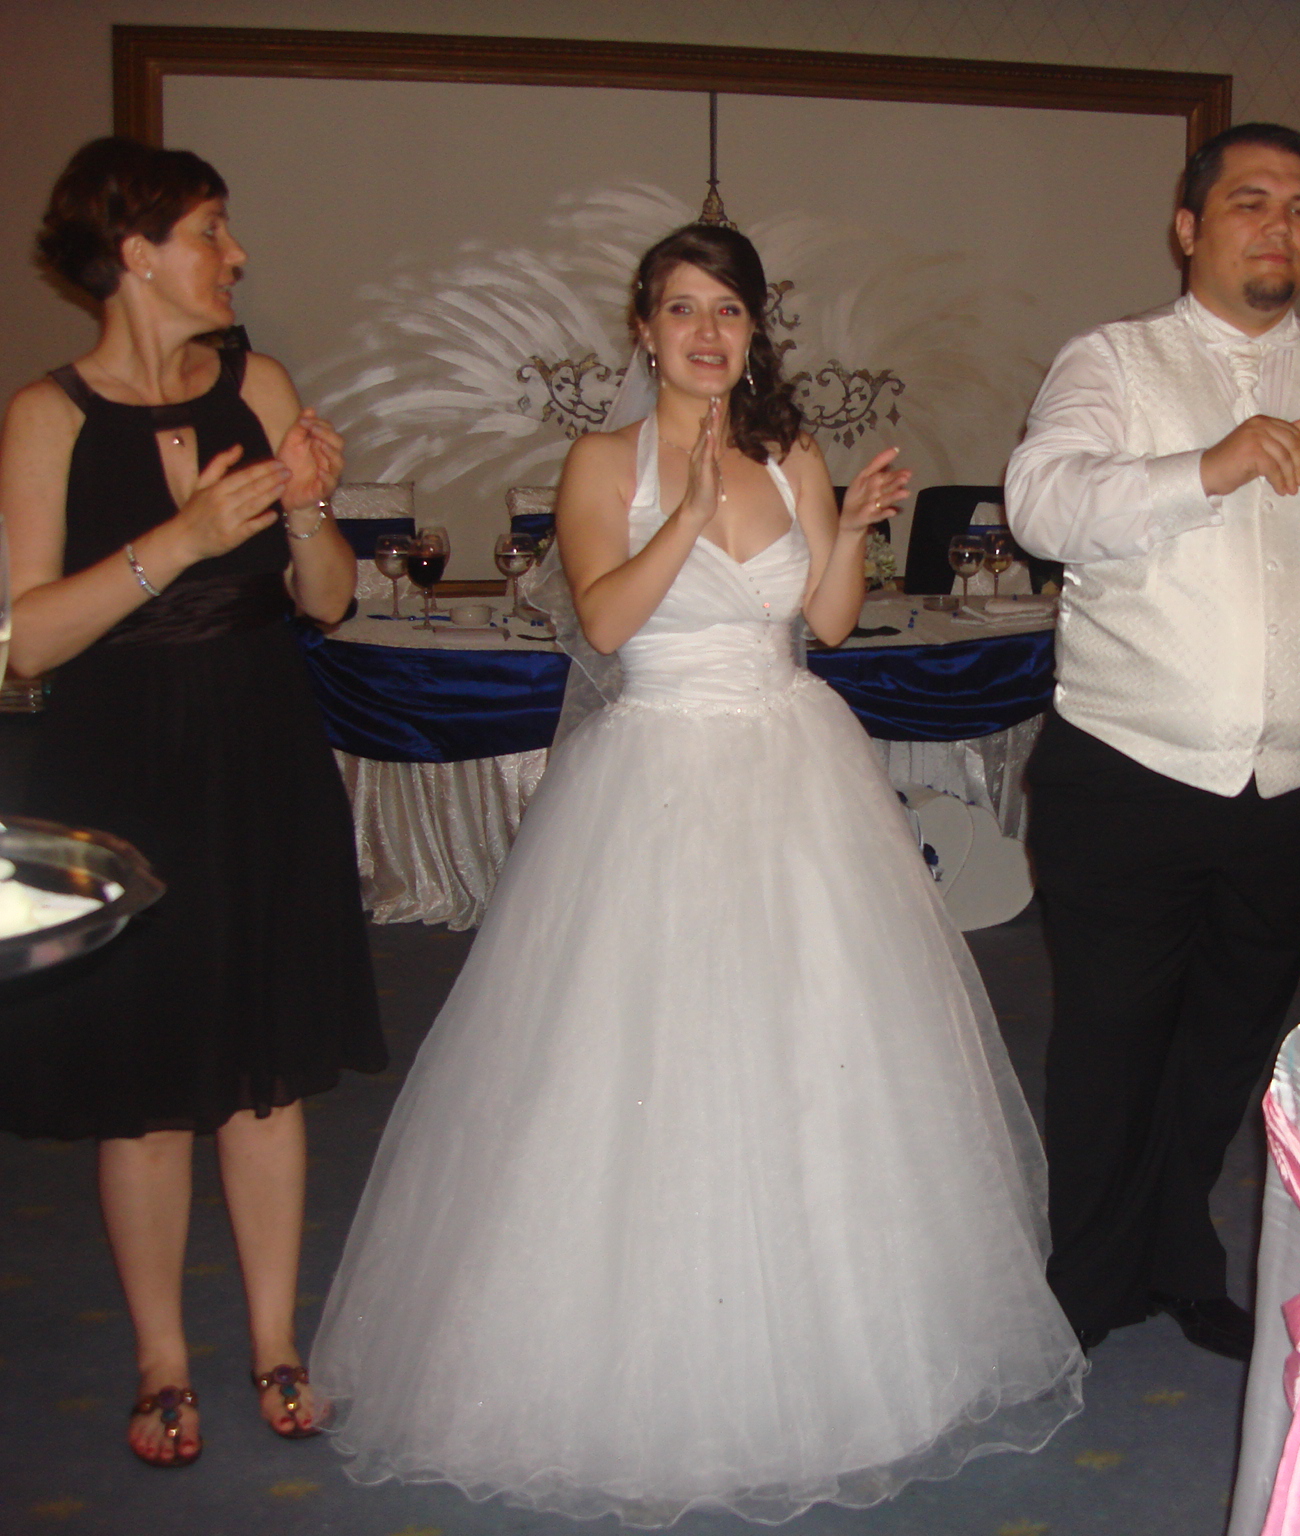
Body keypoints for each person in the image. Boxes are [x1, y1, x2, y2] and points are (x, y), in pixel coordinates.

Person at [311, 223, 1084, 1524]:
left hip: (792, 765)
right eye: (682, 309)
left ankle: (851, 1358)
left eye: (728, 310)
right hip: (654, 768)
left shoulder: (794, 452)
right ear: (645, 329)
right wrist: (684, 507)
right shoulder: (599, 461)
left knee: (814, 1047)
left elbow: (824, 621)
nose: (707, 333)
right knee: (643, 1060)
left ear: (753, 329)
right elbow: (605, 619)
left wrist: (850, 527)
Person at [1006, 124, 1300, 1357]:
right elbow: (1041, 505)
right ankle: (1089, 1277)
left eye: (1299, 207)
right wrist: (1199, 469)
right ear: (1187, 227)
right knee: (1110, 1038)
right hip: (1130, 770)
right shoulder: (1112, 360)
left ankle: (1180, 1258)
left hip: (1298, 778)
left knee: (1226, 1042)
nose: (1278, 227)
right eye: (1248, 202)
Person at [0, 137, 382, 1465]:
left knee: (264, 1074)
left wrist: (311, 511)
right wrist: (183, 542)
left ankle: (276, 1341)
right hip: (118, 768)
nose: (236, 254)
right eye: (211, 230)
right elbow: (24, 644)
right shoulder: (47, 416)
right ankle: (162, 1360)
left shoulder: (257, 385)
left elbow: (326, 599)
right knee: (145, 1082)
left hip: (258, 749)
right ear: (136, 253)